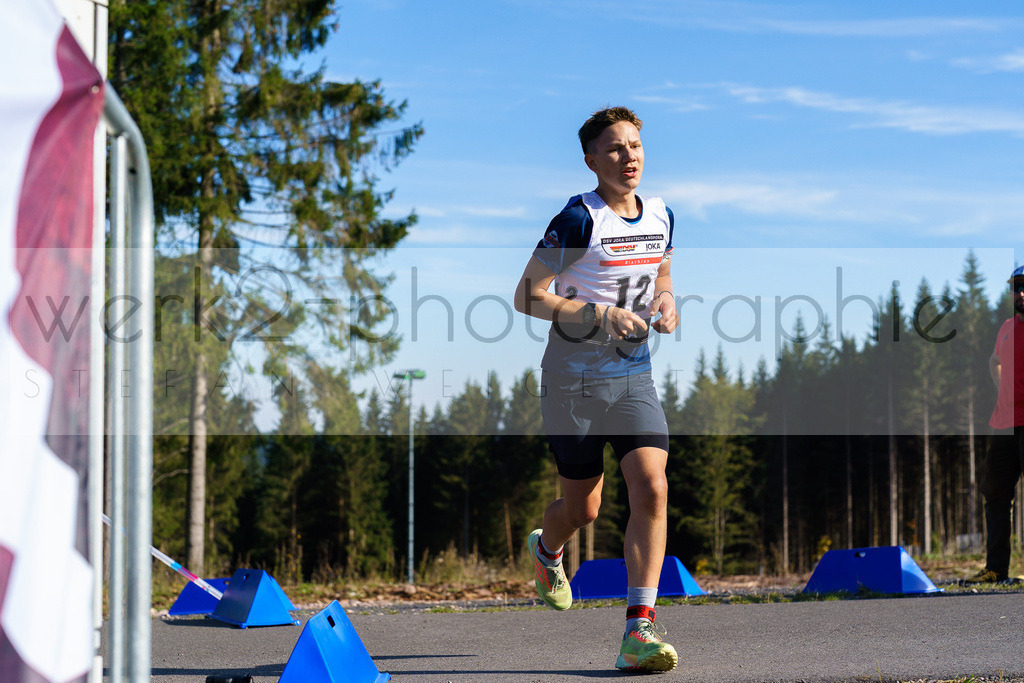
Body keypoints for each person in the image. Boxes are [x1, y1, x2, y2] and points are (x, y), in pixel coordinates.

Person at [513, 107, 679, 672]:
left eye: (634, 145)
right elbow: (528, 296)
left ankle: (640, 630)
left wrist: (666, 301)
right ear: (591, 160)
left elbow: (661, 271)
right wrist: (598, 314)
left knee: (651, 486)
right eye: (613, 149)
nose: (628, 156)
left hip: (633, 375)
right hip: (572, 380)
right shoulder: (577, 219)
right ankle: (547, 549)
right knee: (583, 508)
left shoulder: (662, 215)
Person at [968, 265, 1024, 584]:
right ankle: (995, 569)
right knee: (995, 492)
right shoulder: (1005, 327)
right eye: (1016, 288)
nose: (1020, 293)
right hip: (1004, 423)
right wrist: (1002, 388)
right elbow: (994, 361)